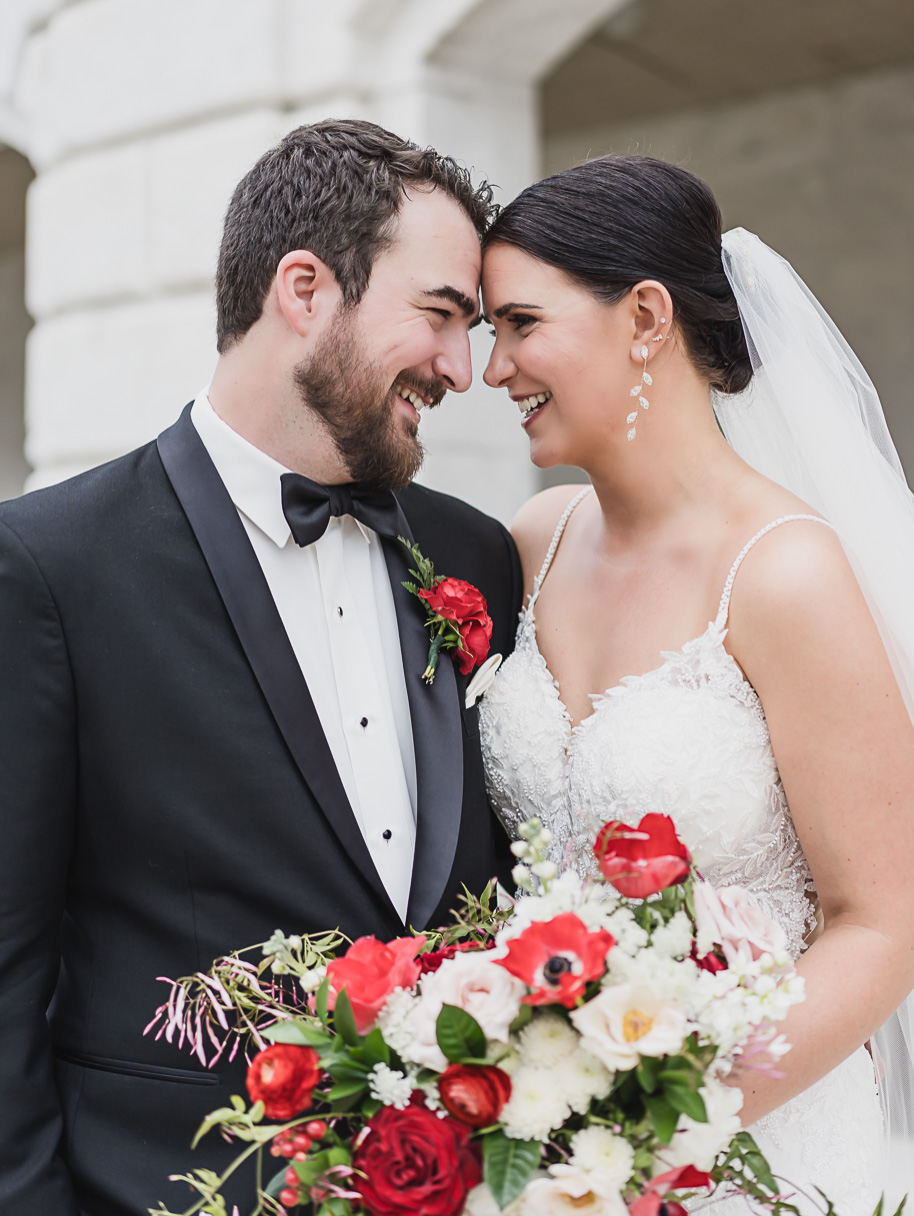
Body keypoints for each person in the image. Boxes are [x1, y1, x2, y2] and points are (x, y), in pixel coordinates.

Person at [0, 120, 522, 1216]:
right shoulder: (47, 566)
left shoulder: (476, 558)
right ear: (303, 289)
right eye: (439, 315)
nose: (461, 370)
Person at [478, 155, 914, 1211]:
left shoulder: (784, 573)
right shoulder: (531, 544)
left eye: (519, 323)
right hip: (541, 1157)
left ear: (643, 316)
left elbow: (883, 921)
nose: (493, 369)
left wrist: (652, 1125)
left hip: (751, 1149)